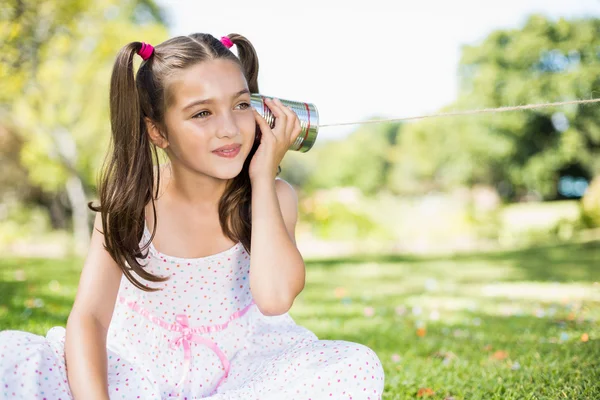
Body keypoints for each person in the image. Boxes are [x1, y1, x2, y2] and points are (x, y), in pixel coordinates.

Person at [0, 33, 385, 399]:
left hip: (242, 377)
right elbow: (89, 321)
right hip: (137, 375)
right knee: (11, 356)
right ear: (158, 132)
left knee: (356, 366)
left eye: (240, 105)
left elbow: (275, 298)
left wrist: (263, 177)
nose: (229, 129)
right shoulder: (132, 205)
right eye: (202, 113)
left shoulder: (272, 197)